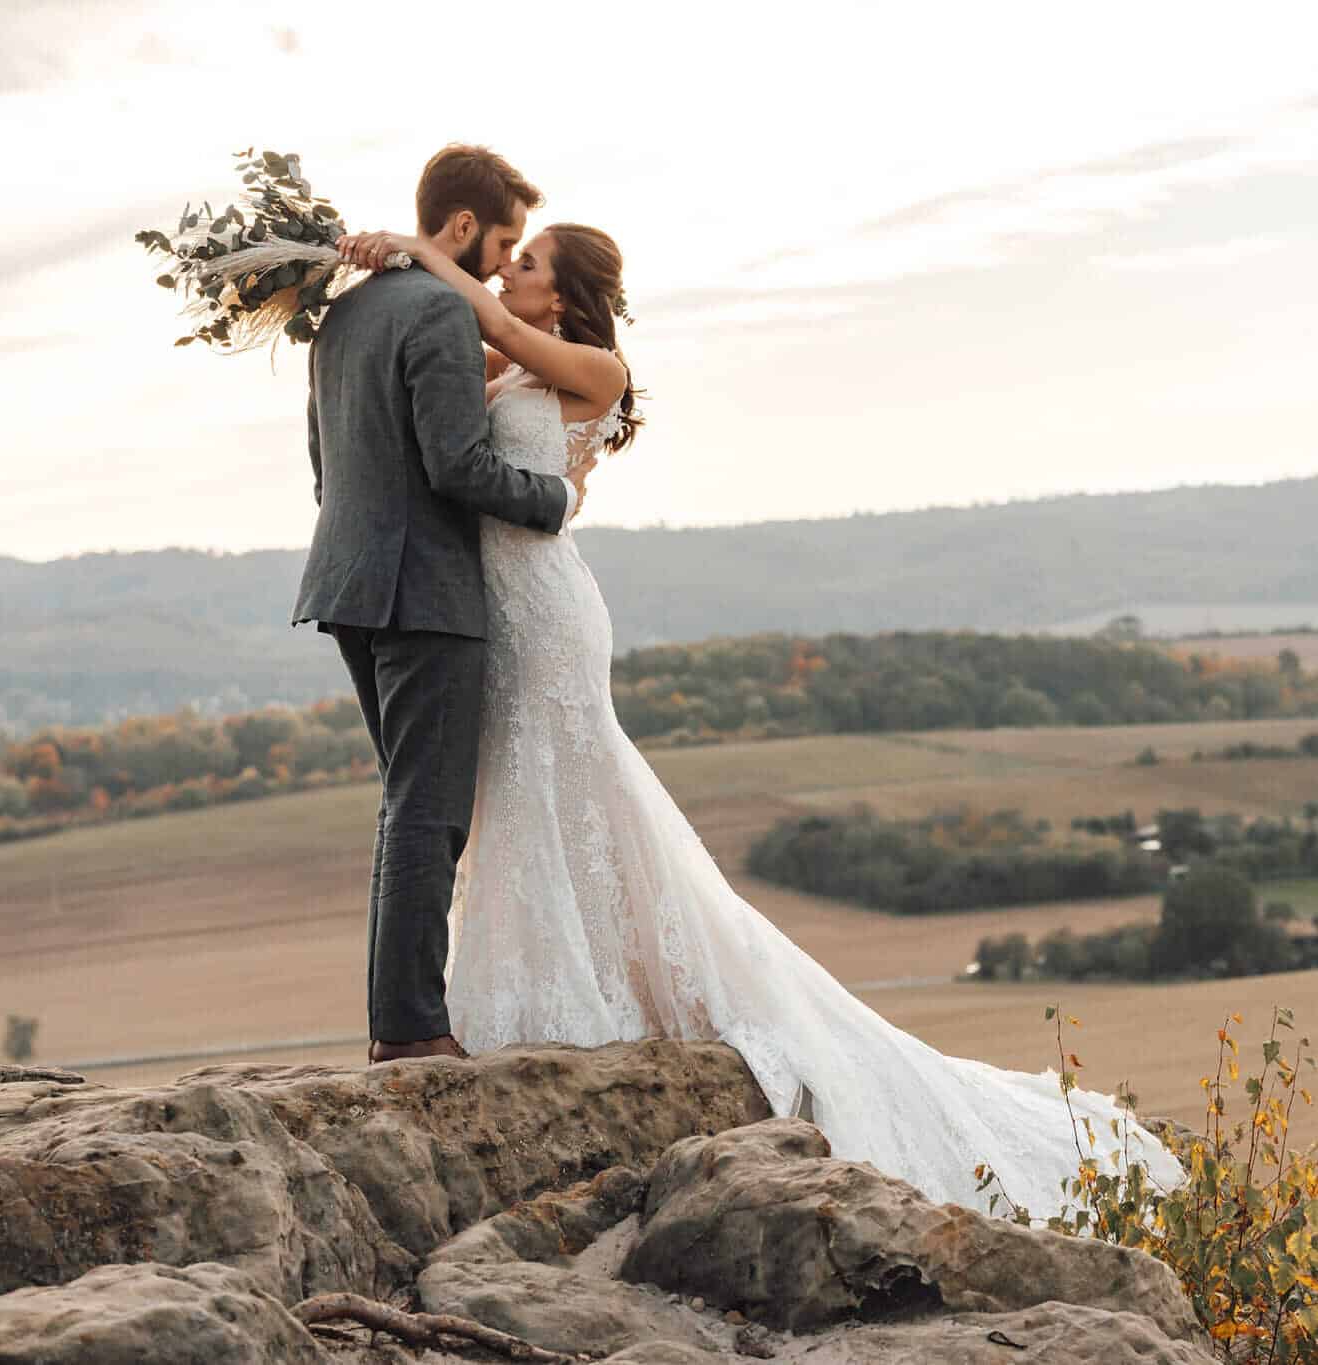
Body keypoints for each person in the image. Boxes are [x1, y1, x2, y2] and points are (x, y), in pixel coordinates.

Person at [333, 220, 1187, 1220]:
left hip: (549, 614)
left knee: (571, 784)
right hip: (494, 611)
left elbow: (482, 322)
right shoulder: (502, 368)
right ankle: (545, 983)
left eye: (525, 265)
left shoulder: (589, 367)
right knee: (518, 797)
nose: (503, 274)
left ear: (561, 297)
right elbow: (436, 383)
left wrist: (420, 254)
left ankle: (606, 994)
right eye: (506, 261)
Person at [293, 145, 597, 1066]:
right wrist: (555, 502)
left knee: (405, 806)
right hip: (422, 590)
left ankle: (399, 1019)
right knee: (429, 813)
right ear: (461, 227)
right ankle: (413, 1030)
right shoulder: (436, 313)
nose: (504, 261)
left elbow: (324, 468)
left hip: (346, 580)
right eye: (503, 239)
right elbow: (456, 466)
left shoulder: (342, 316)